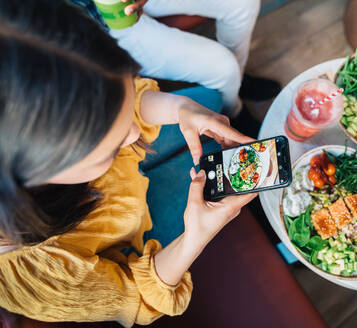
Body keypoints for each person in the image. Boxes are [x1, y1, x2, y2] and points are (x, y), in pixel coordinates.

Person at [0, 1, 256, 326]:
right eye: (107, 148)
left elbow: (131, 104)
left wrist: (181, 108)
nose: (135, 133)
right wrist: (196, 235)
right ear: (37, 175)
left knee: (212, 98)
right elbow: (136, 298)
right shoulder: (38, 275)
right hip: (144, 248)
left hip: (133, 184)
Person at [71, 0, 281, 118]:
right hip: (95, 28)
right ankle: (233, 111)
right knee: (223, 67)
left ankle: (237, 81)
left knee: (243, 3)